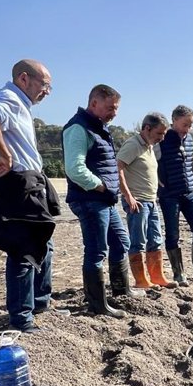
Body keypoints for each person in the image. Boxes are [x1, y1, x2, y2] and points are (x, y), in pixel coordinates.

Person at [0, 59, 60, 333]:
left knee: (44, 245)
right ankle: (22, 320)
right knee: (23, 252)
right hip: (19, 185)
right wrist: (4, 154)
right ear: (24, 79)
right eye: (44, 85)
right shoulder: (9, 99)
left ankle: (40, 303)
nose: (47, 91)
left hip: (32, 183)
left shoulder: (21, 104)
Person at [62, 84, 143, 319]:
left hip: (104, 201)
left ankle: (121, 290)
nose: (114, 113)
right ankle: (98, 305)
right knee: (97, 251)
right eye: (110, 108)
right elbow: (75, 169)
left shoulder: (99, 128)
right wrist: (102, 186)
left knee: (121, 241)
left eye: (116, 109)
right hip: (89, 199)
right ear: (94, 103)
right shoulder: (78, 128)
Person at [117, 112, 176, 289]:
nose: (162, 137)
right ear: (147, 128)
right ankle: (141, 280)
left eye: (164, 133)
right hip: (138, 202)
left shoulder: (149, 147)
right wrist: (129, 196)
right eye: (159, 133)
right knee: (138, 241)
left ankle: (157, 277)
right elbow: (118, 168)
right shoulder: (133, 144)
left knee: (155, 239)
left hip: (151, 201)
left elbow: (143, 169)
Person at [158, 105, 193, 285]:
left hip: (189, 192)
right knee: (173, 234)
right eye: (184, 125)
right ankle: (178, 273)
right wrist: (158, 183)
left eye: (190, 125)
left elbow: (187, 164)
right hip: (169, 195)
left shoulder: (189, 139)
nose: (187, 129)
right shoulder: (161, 139)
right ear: (174, 120)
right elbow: (149, 162)